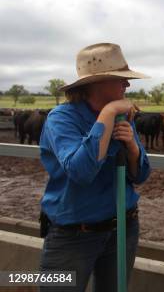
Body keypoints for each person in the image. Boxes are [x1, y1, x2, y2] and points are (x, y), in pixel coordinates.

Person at [38, 43, 151, 292]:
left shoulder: (124, 117)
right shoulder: (62, 118)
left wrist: (132, 149)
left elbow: (140, 175)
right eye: (121, 79)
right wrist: (108, 113)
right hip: (73, 235)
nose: (127, 85)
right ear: (97, 83)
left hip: (124, 227)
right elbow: (81, 172)